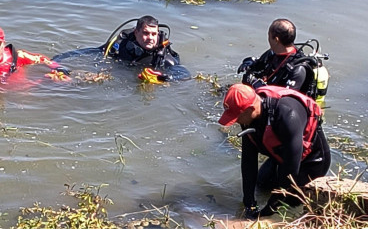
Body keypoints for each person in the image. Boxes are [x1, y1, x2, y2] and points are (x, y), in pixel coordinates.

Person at [218, 83, 331, 219]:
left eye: (237, 117)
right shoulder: (248, 117)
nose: (236, 121)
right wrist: (249, 203)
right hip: (281, 155)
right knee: (261, 185)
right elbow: (249, 160)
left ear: (251, 109)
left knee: (291, 202)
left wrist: (268, 210)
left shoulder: (288, 115)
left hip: (311, 160)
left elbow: (289, 172)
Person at [237, 18, 329, 102]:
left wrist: (256, 84)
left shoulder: (298, 69)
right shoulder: (272, 53)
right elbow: (258, 66)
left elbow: (284, 101)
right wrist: (248, 63)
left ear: (276, 40)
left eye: (269, 35)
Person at [102, 15, 190, 83]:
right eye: (146, 33)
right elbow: (97, 52)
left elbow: (185, 75)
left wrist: (164, 78)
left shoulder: (164, 59)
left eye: (154, 34)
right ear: (136, 32)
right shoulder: (122, 43)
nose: (150, 38)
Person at [0, 27, 70, 85]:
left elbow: (42, 59)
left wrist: (59, 70)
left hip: (28, 92)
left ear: (4, 44)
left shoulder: (18, 56)